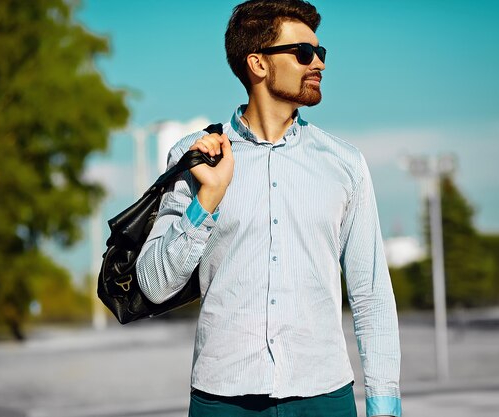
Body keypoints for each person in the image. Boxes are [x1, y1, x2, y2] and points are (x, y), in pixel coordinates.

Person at [136, 1, 402, 416]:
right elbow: (154, 285)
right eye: (303, 54)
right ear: (257, 64)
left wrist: (384, 405)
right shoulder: (195, 157)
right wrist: (206, 200)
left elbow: (371, 295)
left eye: (321, 53)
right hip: (222, 398)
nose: (319, 65)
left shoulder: (345, 163)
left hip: (324, 396)